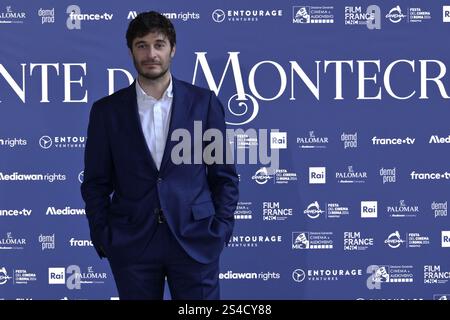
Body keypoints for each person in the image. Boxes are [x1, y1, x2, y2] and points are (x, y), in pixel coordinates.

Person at [80, 11, 239, 300]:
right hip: (132, 242)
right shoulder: (106, 111)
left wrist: (221, 229)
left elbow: (224, 176)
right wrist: (104, 235)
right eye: (141, 45)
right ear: (130, 50)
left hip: (195, 238)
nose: (150, 53)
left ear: (172, 49)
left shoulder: (204, 103)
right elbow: (95, 182)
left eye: (159, 44)